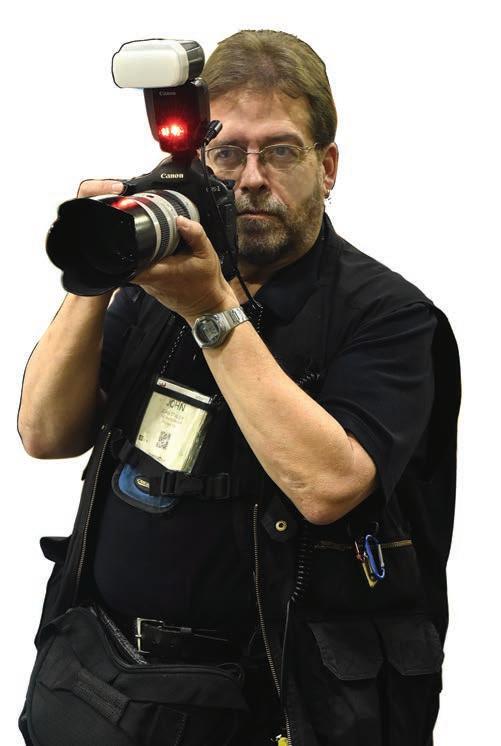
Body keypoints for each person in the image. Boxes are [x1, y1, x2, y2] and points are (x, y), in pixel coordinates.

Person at [18, 29, 460, 746]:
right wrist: (95, 271)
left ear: (326, 167)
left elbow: (328, 487)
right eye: (226, 153)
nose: (250, 178)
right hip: (104, 687)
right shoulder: (156, 286)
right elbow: (45, 433)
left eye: (279, 151)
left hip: (281, 705)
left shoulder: (388, 315)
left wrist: (211, 311)